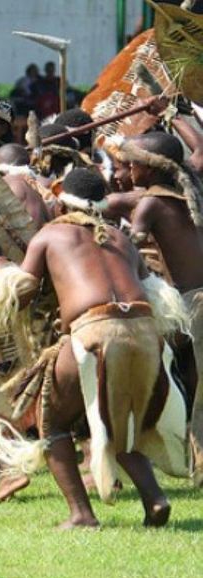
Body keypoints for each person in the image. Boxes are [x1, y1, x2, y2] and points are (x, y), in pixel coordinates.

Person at [0, 168, 188, 528]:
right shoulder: (121, 239)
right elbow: (152, 291)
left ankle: (81, 514)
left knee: (54, 422)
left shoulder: (51, 234)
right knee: (122, 421)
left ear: (61, 200)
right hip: (144, 332)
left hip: (95, 331)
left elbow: (23, 292)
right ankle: (155, 498)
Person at [103, 132, 203, 485]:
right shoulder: (185, 194)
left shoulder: (150, 205)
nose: (128, 169)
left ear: (153, 169)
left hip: (195, 303)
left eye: (133, 163)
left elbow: (129, 248)